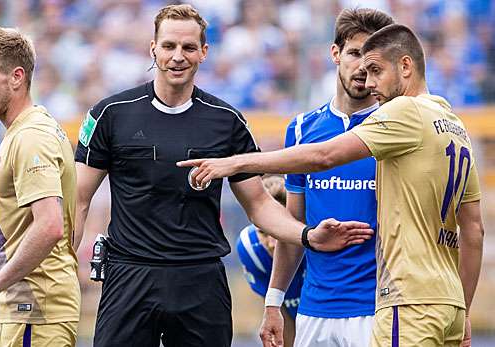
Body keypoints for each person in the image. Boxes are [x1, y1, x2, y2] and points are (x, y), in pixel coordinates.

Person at [74, 4, 373, 347]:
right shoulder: (111, 114)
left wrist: (306, 236)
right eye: (169, 46)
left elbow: (259, 203)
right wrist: (67, 269)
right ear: (152, 48)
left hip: (200, 282)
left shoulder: (226, 120)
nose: (177, 56)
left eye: (188, 47)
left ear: (204, 52)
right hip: (130, 276)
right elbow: (79, 201)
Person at [179, 23, 484, 347]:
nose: (369, 81)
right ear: (335, 54)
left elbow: (324, 156)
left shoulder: (402, 114)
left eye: (377, 70)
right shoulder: (452, 122)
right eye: (361, 63)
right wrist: (462, 308)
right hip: (441, 301)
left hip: (402, 301)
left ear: (406, 65)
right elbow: (474, 229)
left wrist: (235, 163)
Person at [259, 9, 393, 347]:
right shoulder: (302, 128)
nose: (363, 66)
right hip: (314, 310)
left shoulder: (396, 127)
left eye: (374, 58)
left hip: (379, 309)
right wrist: (273, 302)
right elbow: (294, 224)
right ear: (335, 53)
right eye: (354, 53)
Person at [0, 27, 80, 347]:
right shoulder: (26, 129)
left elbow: (49, 227)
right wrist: (7, 300)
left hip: (38, 311)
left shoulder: (31, 137)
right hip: (24, 308)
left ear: (17, 77)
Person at [236, 175, 305, 347]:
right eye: (263, 232)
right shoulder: (250, 249)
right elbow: (277, 314)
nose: (272, 243)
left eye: (279, 231)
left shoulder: (315, 240)